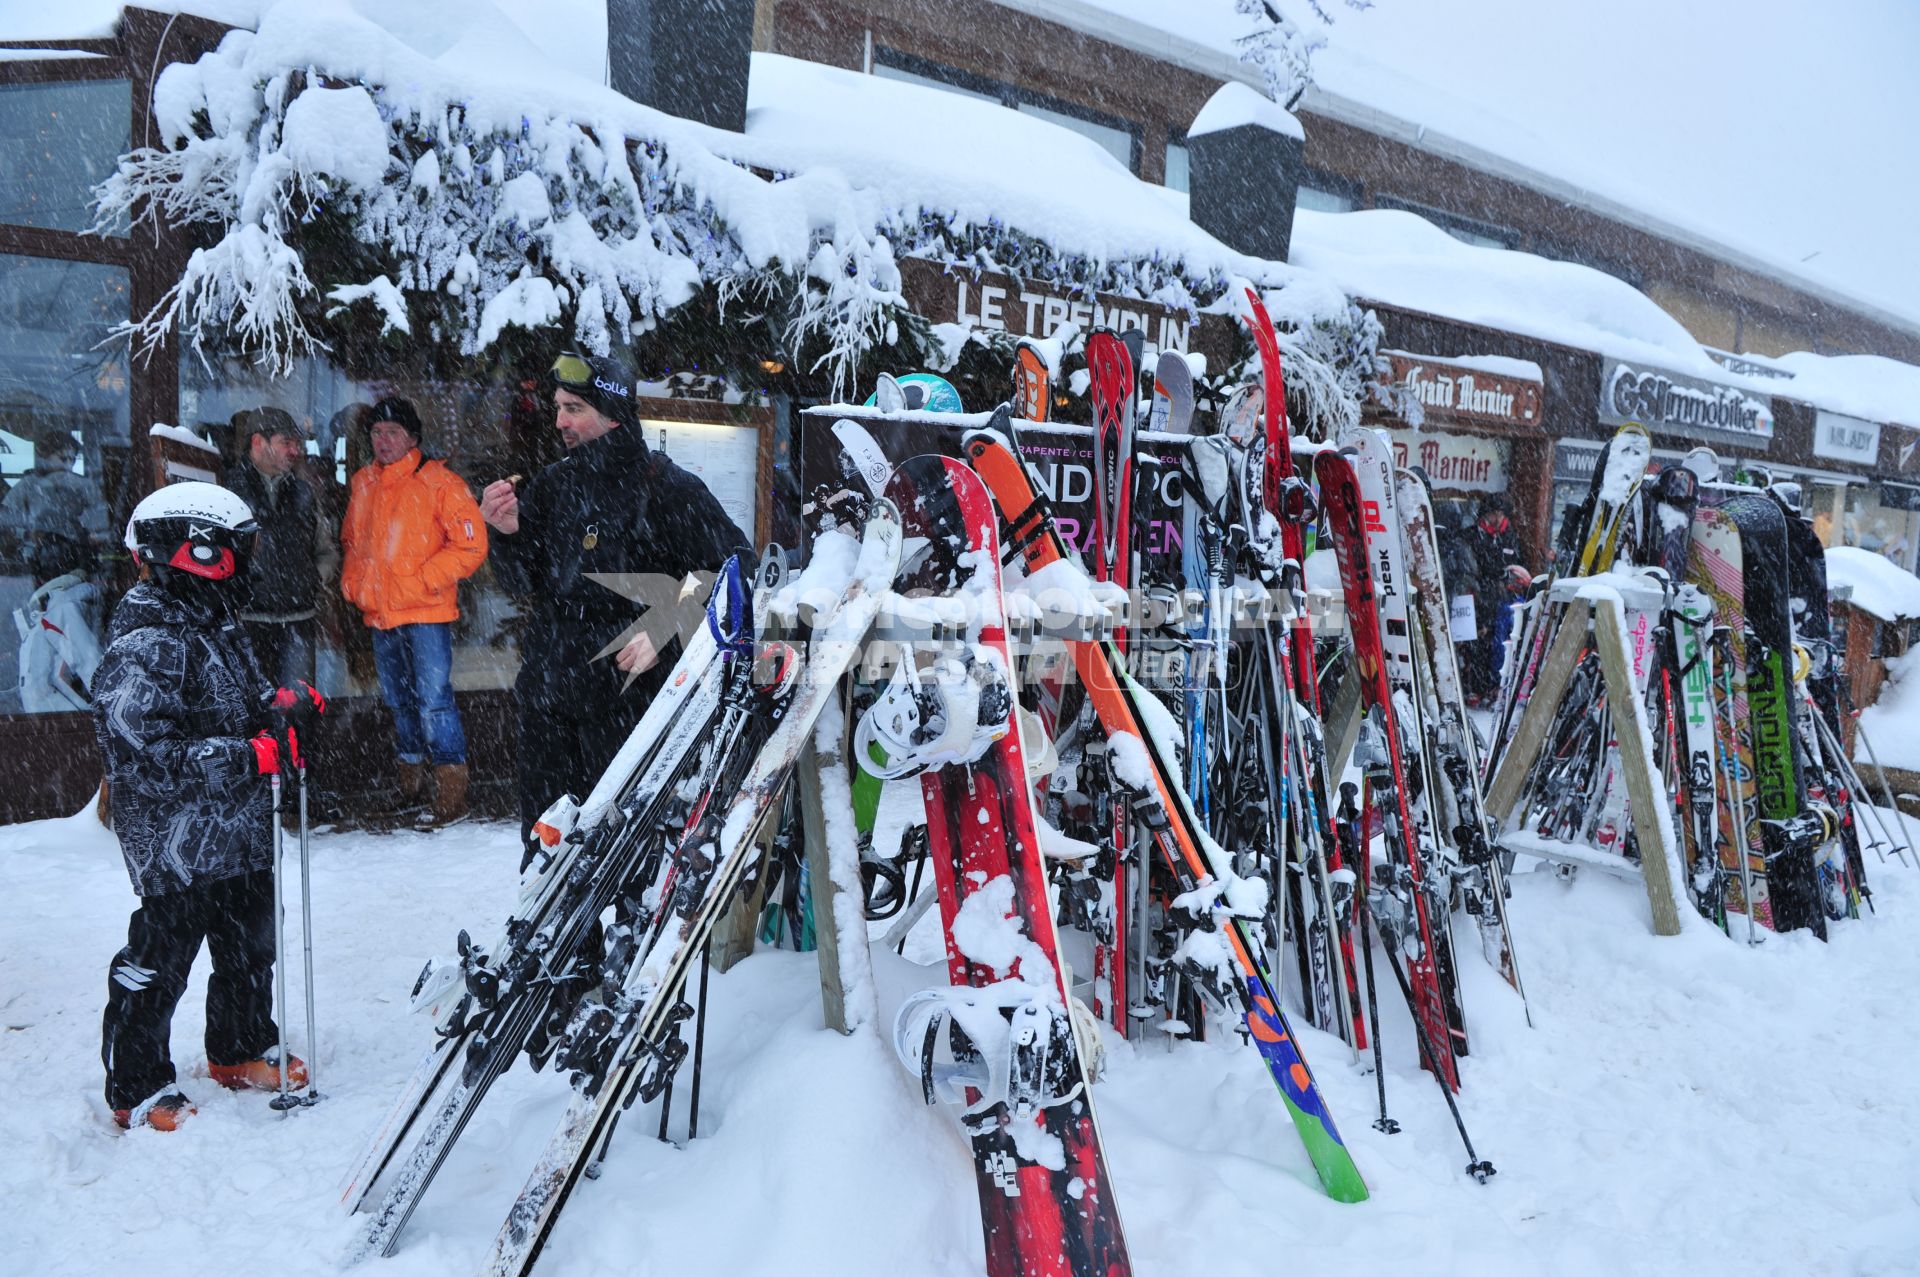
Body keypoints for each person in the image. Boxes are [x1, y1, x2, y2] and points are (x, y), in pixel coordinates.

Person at [93, 481, 319, 1131]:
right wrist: (250, 756)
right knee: (161, 958)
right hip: (176, 833)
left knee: (250, 942)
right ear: (196, 550)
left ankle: (239, 1045)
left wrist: (277, 708)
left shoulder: (213, 616)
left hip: (237, 824)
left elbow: (237, 697)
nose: (247, 563)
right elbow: (144, 750)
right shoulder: (149, 635)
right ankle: (135, 1082)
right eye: (238, 549)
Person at [480, 349, 748, 856]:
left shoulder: (666, 487)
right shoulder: (554, 485)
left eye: (574, 409)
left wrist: (671, 618)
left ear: (613, 413)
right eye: (558, 408)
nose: (559, 421)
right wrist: (508, 534)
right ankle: (555, 936)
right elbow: (522, 582)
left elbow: (734, 565)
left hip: (627, 708)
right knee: (545, 860)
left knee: (627, 860)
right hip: (549, 705)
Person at [340, 396, 488, 825]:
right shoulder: (364, 482)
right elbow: (352, 542)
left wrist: (421, 580)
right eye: (376, 432)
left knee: (434, 704)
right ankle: (410, 787)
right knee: (400, 703)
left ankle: (450, 796)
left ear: (412, 437)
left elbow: (472, 546)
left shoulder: (440, 482)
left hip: (426, 616)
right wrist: (354, 585)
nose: (383, 440)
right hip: (381, 616)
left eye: (392, 432)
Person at [224, 407, 337, 687]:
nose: (295, 451)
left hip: (299, 621)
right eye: (286, 443)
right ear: (258, 442)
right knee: (252, 710)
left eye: (297, 444)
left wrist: (313, 579)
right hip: (248, 624)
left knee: (300, 710)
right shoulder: (228, 493)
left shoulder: (304, 493)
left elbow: (326, 550)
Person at [1461, 493, 1524, 702]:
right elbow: (1472, 566)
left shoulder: (1510, 535)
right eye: (1493, 514)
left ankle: (1495, 686)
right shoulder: (1472, 536)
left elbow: (1515, 562)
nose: (1496, 519)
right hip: (1477, 597)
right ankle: (1476, 688)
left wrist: (1506, 576)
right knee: (1477, 641)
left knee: (1500, 642)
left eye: (1499, 514)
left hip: (1502, 598)